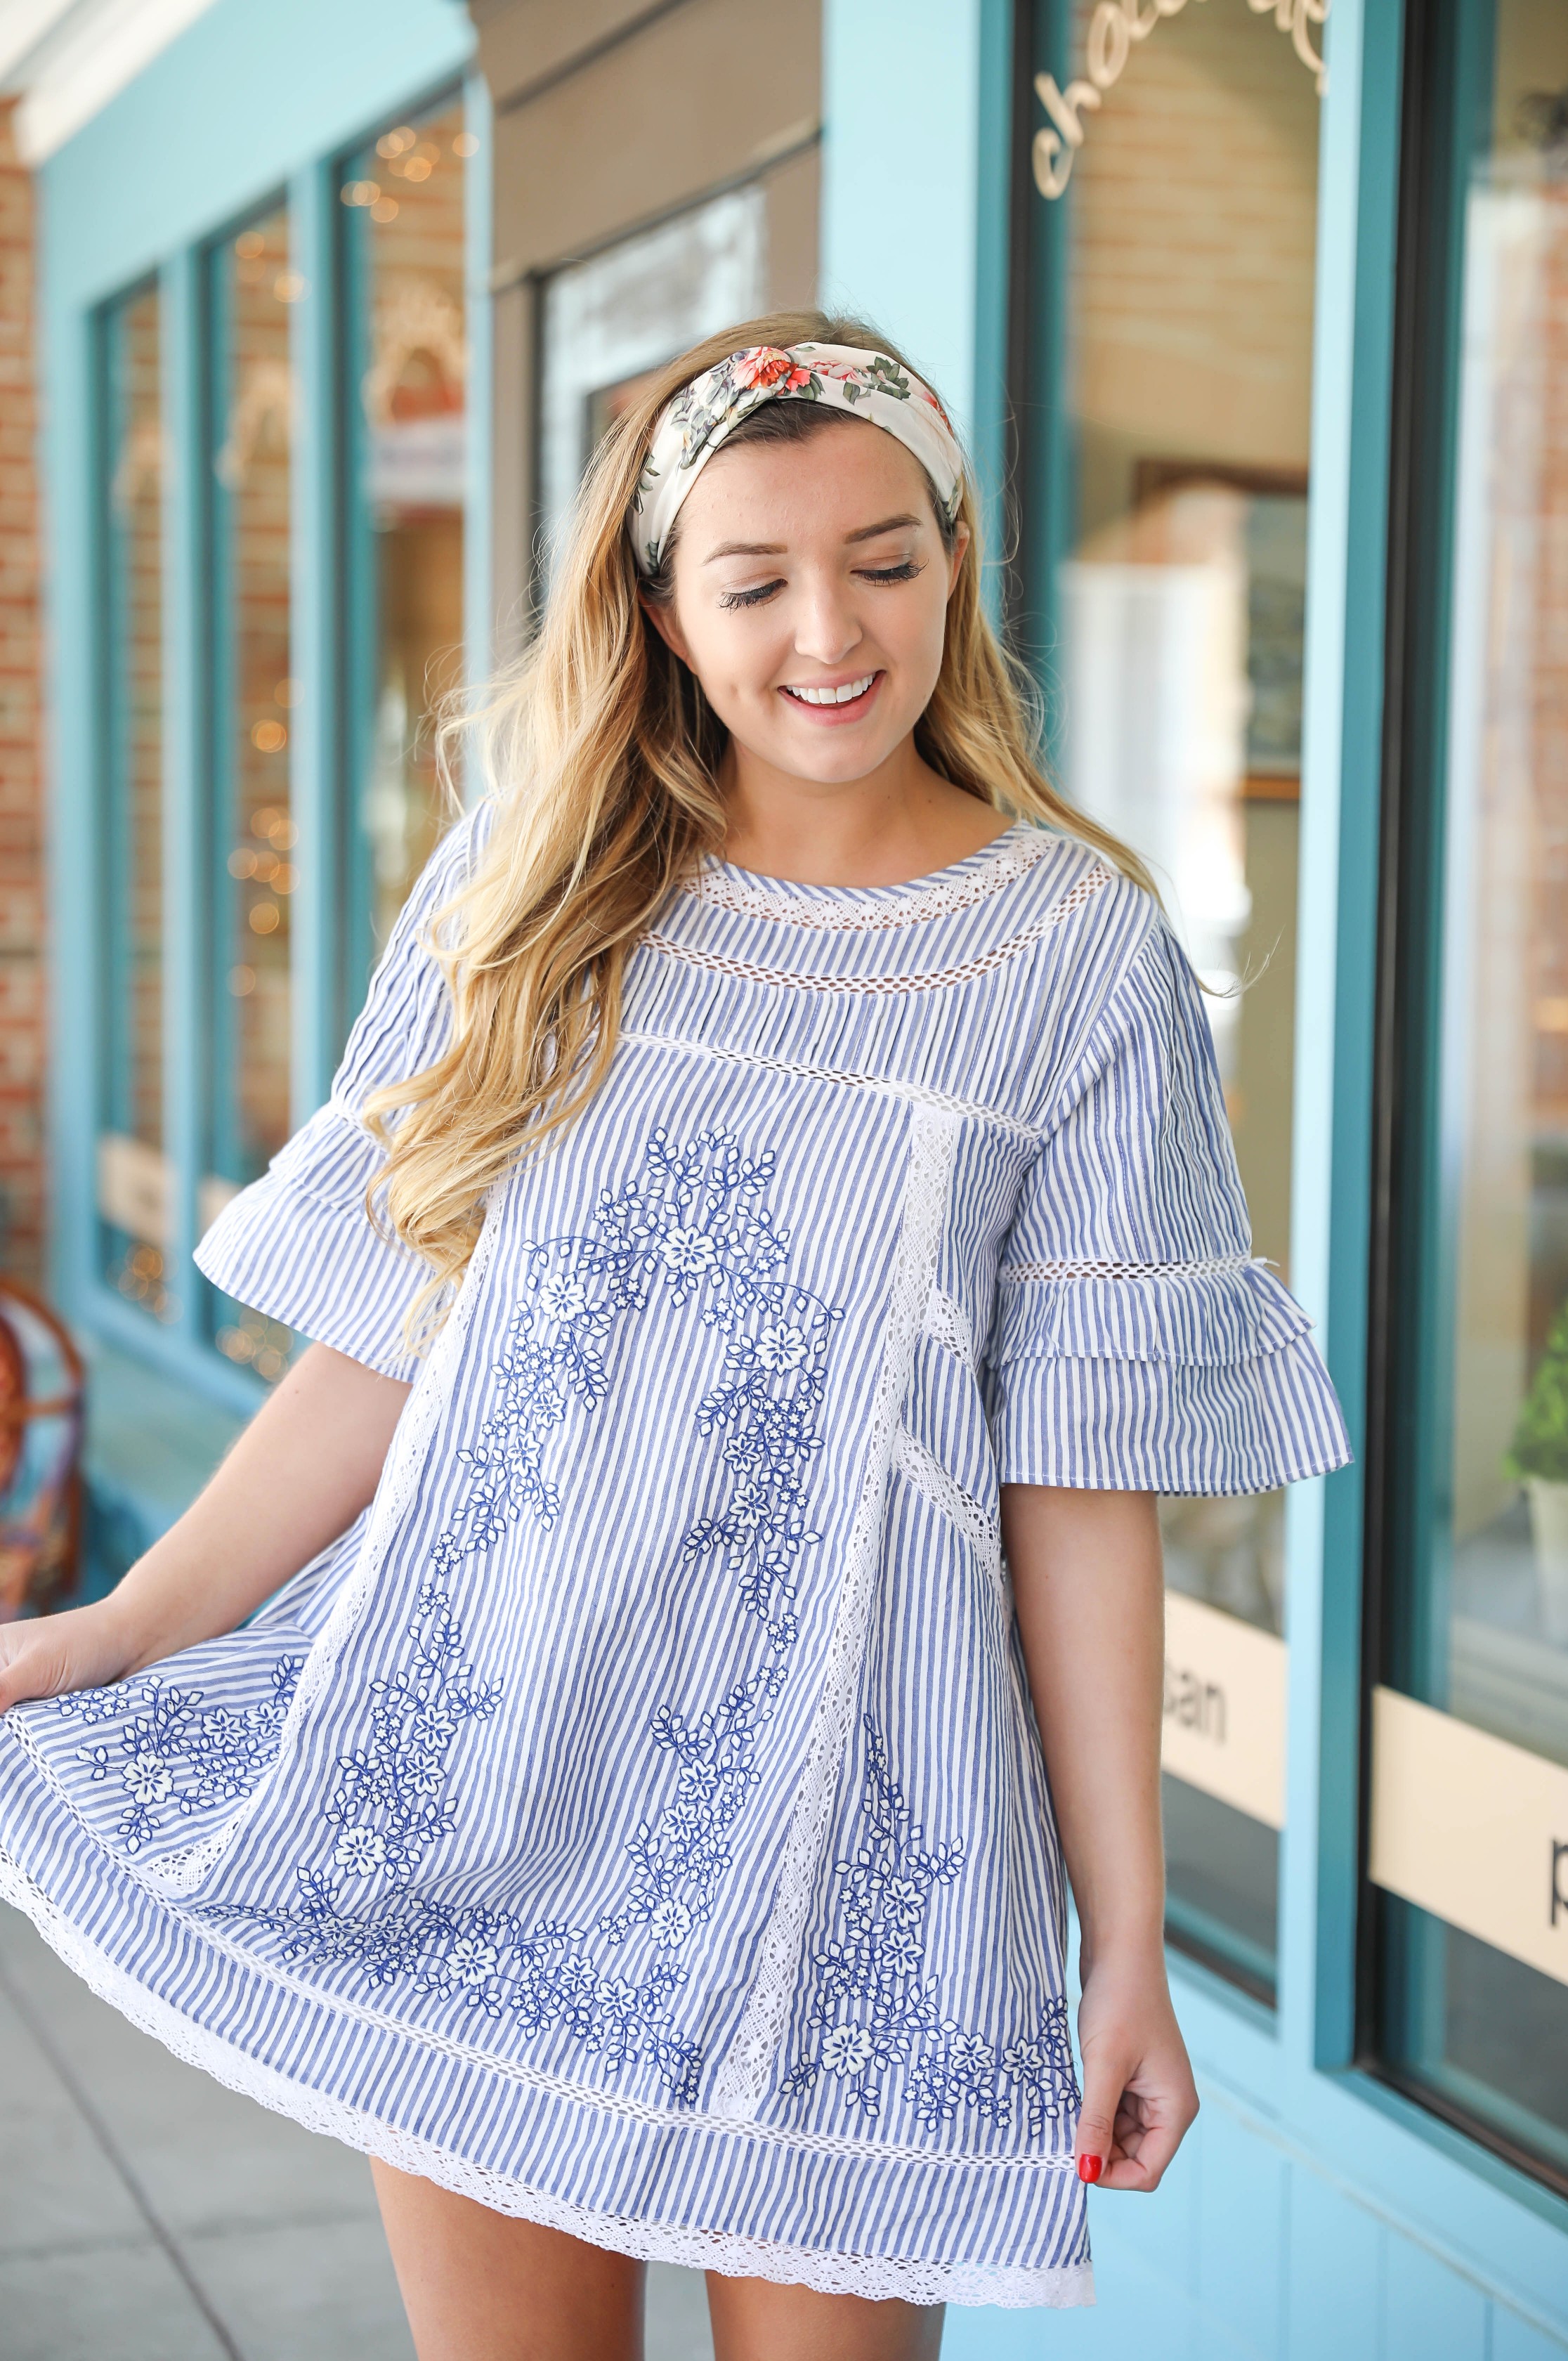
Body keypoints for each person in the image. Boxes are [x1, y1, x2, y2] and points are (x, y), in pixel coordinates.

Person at [0, 313, 1349, 2361]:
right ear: (660, 603)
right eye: (757, 576)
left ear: (956, 561)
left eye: (888, 558)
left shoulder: (1079, 956)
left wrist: (1126, 1941)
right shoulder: (536, 886)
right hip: (480, 1779)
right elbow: (389, 1348)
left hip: (863, 1869)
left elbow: (1080, 1485)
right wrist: (126, 1629)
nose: (835, 627)